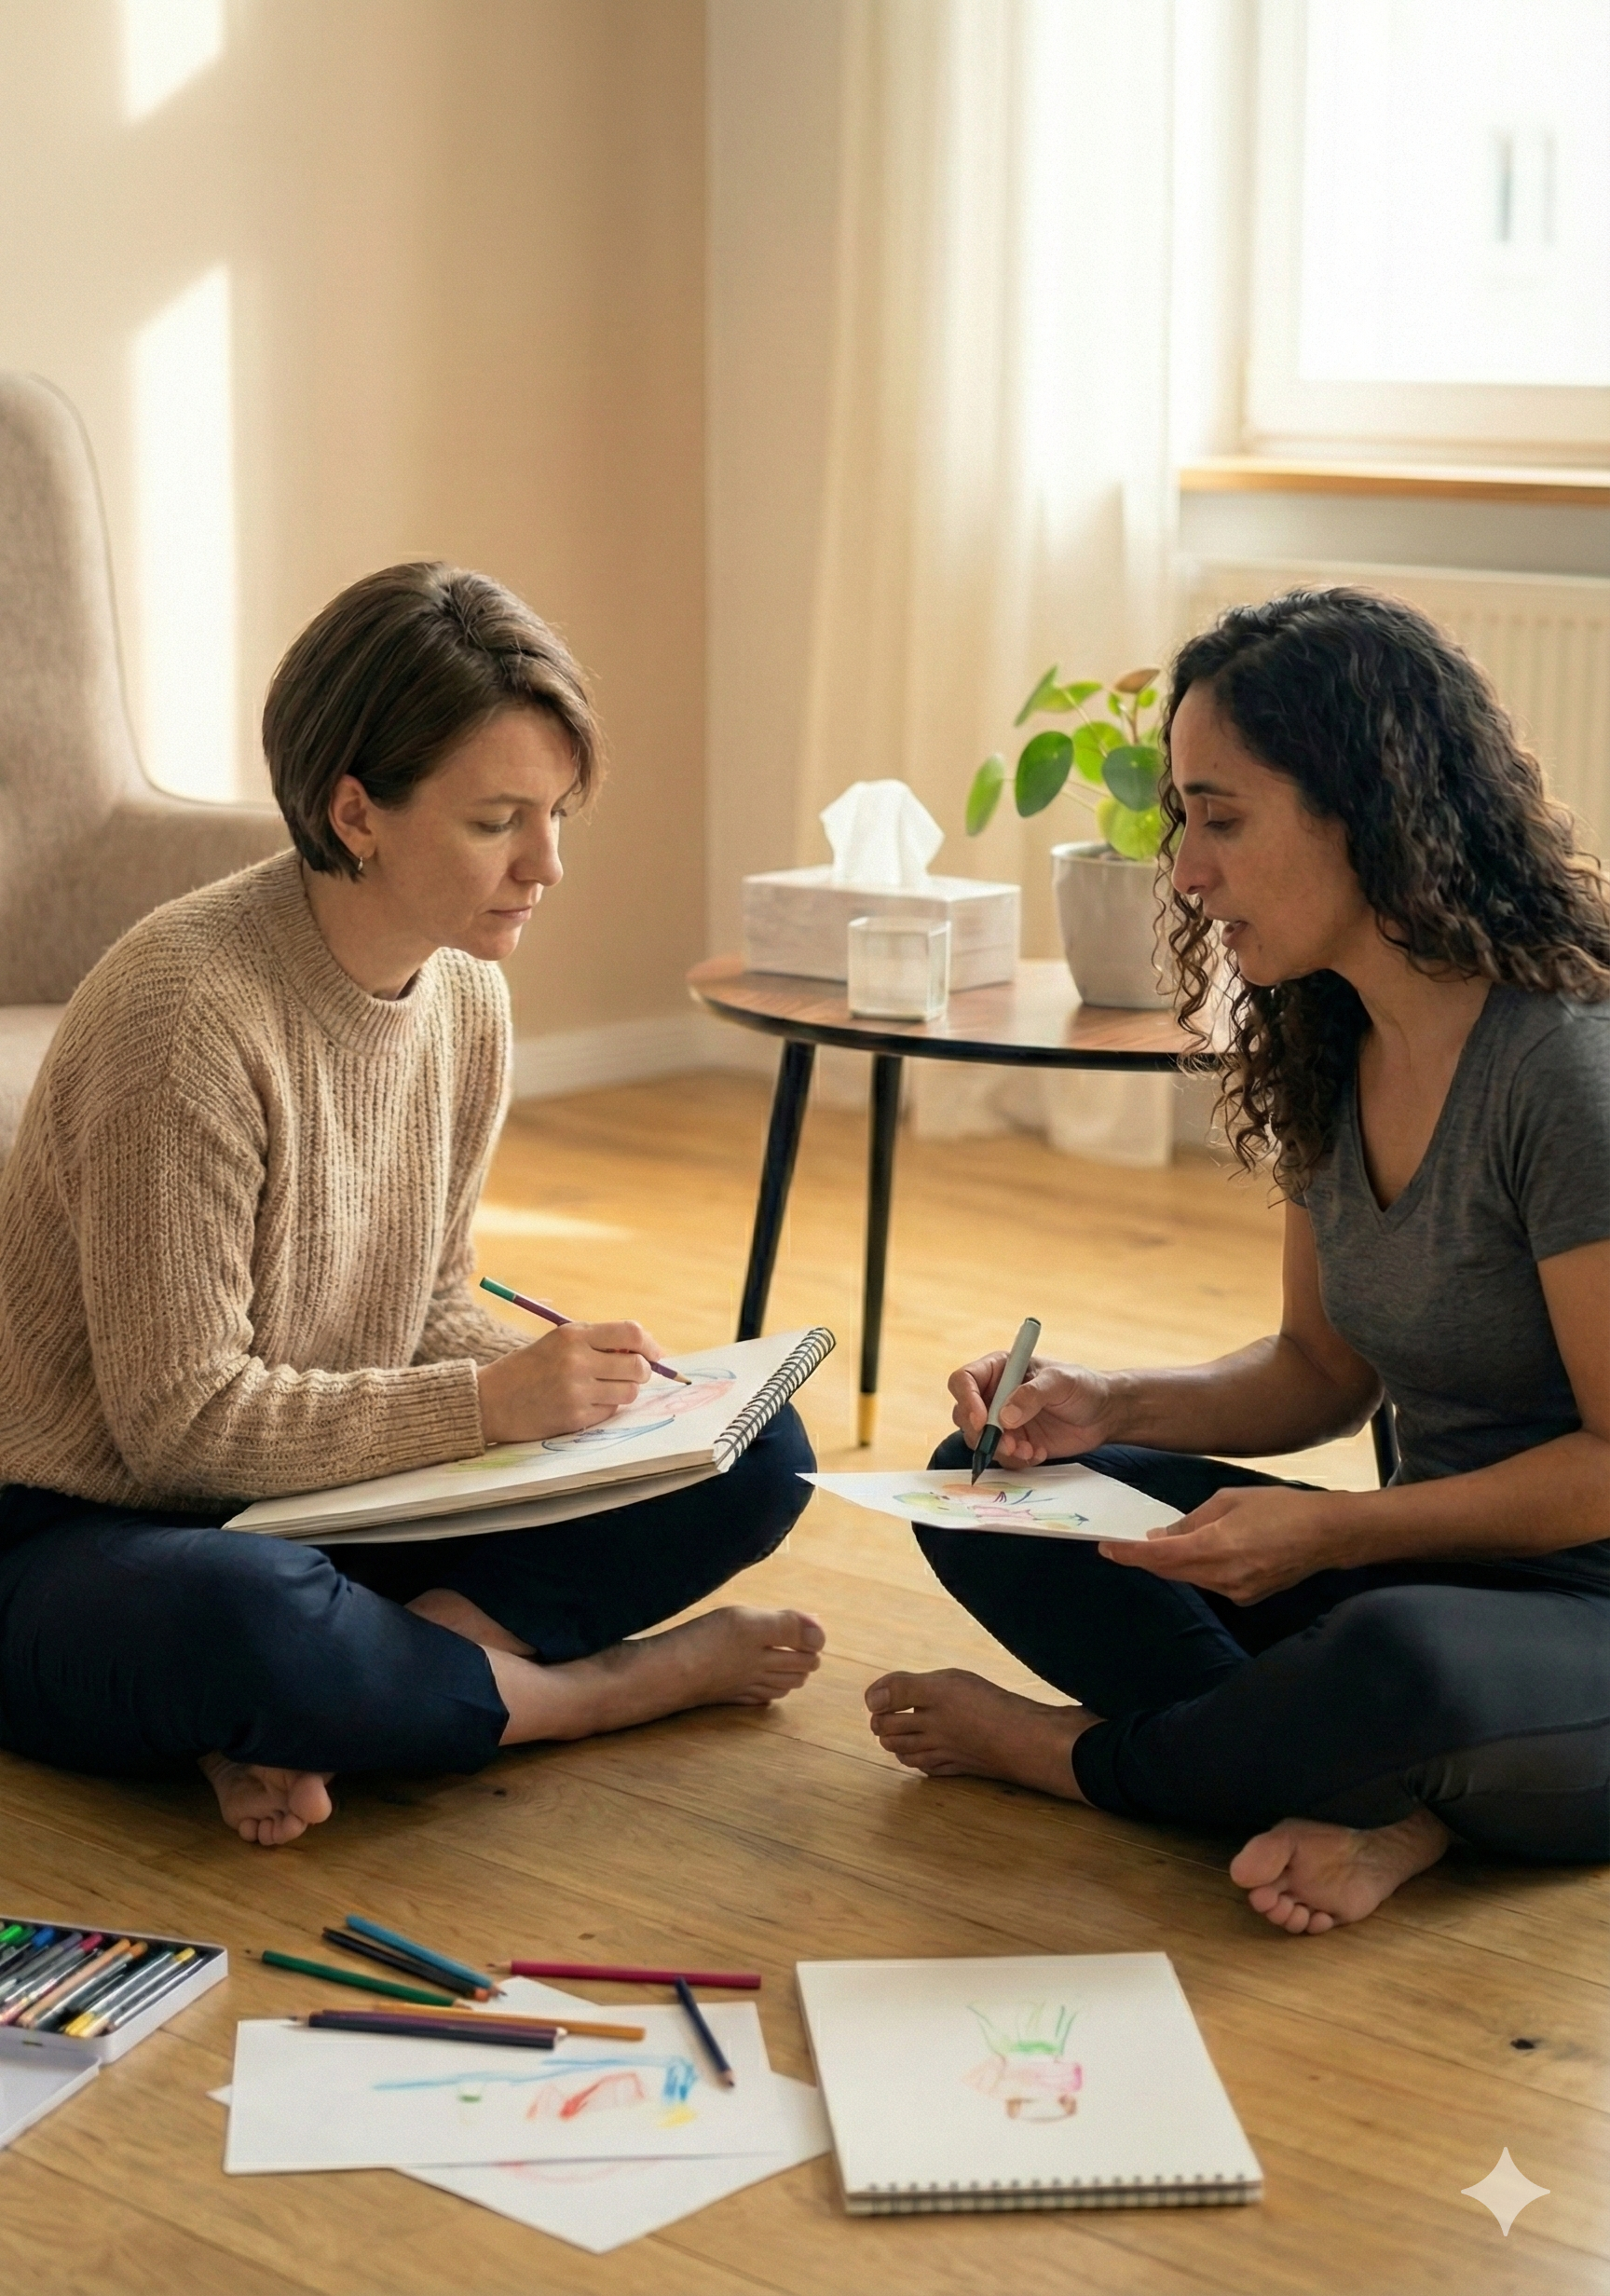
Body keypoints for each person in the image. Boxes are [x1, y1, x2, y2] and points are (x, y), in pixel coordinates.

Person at [0, 562, 821, 1845]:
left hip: (324, 1502)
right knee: (255, 1620)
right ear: (356, 811)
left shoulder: (464, 993)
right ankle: (583, 1697)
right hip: (91, 1535)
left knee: (753, 1451)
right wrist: (493, 1406)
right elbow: (175, 1427)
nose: (545, 863)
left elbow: (428, 1303)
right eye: (499, 819)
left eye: (556, 814)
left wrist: (593, 1391)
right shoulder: (185, 1014)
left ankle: (335, 1705)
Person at [866, 587, 1610, 1932]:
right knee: (991, 1498)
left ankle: (1078, 1760)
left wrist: (1338, 1530)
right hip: (1431, 1573)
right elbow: (1320, 1371)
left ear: (1366, 810)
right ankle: (1376, 1798)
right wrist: (1112, 1406)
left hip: (1566, 1619)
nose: (1189, 873)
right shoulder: (1334, 1040)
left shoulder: (1563, 1071)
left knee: (1390, 1661)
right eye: (1182, 823)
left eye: (1222, 818)